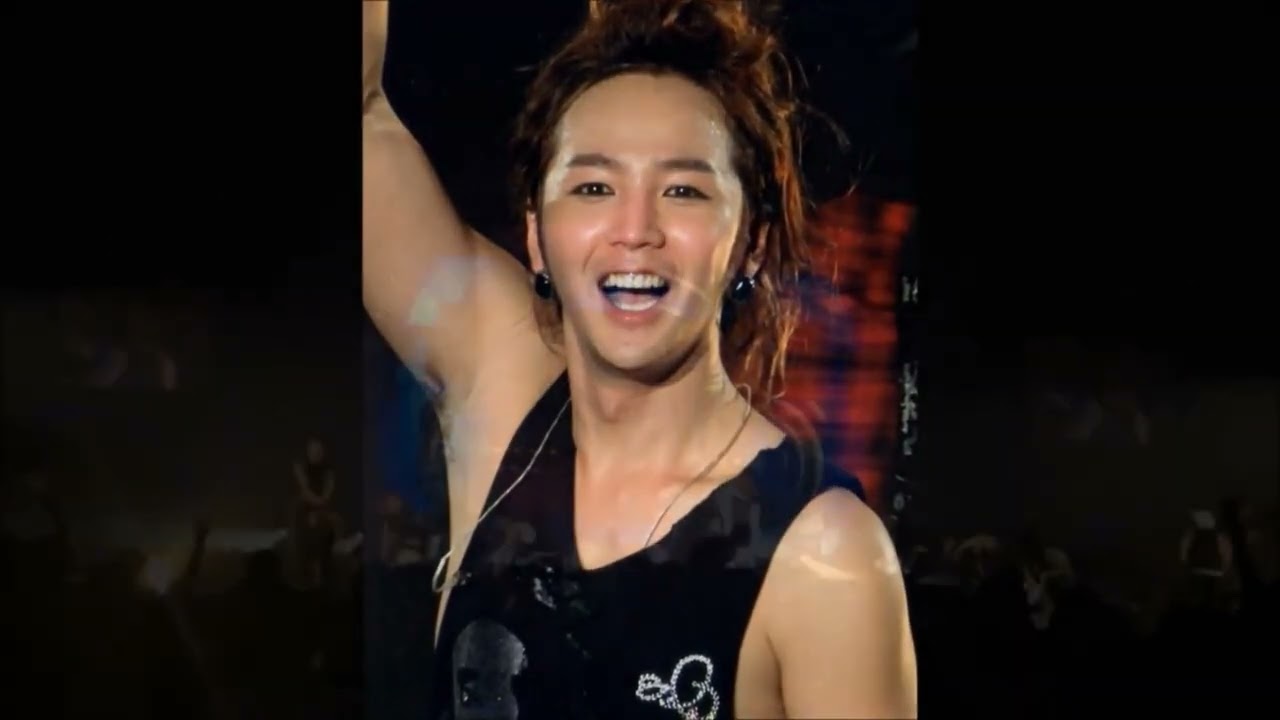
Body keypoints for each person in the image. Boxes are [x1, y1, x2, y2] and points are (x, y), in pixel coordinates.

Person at [363, 0, 916, 717]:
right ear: (536, 235)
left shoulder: (824, 555)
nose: (635, 229)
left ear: (749, 244)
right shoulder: (502, 390)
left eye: (683, 191)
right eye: (593, 187)